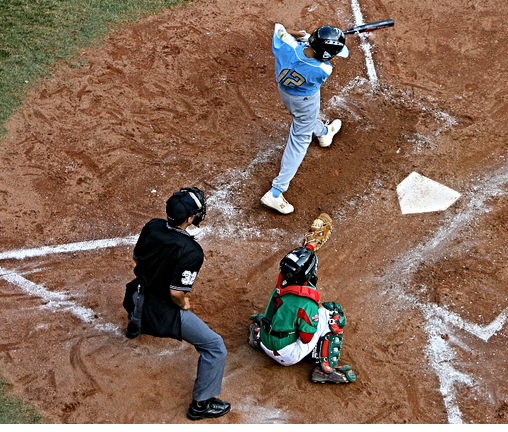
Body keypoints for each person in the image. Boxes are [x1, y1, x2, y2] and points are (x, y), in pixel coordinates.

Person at [123, 187, 231, 420]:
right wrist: (183, 304)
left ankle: (134, 326)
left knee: (143, 290)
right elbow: (175, 293)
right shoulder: (192, 251)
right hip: (160, 314)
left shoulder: (152, 226)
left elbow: (136, 257)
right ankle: (201, 405)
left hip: (134, 298)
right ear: (190, 219)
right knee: (215, 346)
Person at [247, 214, 356, 383]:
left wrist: (310, 245)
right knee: (333, 313)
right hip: (287, 355)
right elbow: (306, 337)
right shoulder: (306, 302)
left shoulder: (283, 277)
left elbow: (296, 265)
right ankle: (325, 369)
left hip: (264, 339)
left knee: (283, 311)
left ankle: (257, 334)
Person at [260, 23, 349, 215]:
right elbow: (322, 60)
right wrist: (309, 40)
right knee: (300, 139)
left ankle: (324, 132)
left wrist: (302, 36)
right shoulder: (324, 69)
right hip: (305, 101)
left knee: (305, 121)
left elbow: (279, 29)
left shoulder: (286, 45)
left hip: (285, 93)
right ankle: (276, 192)